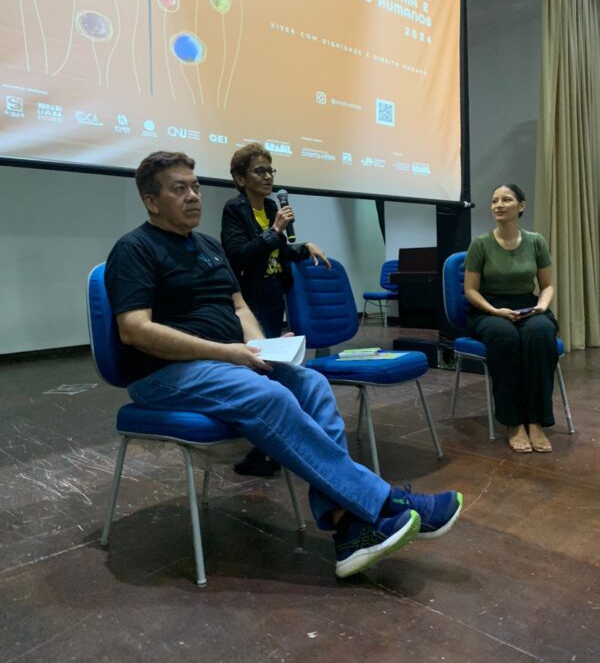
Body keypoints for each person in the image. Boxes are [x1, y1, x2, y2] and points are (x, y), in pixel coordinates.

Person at [105, 151, 462, 579]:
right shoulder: (134, 249)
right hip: (162, 375)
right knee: (269, 395)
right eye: (179, 189)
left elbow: (239, 307)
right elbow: (135, 330)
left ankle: (347, 528)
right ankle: (384, 500)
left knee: (312, 384)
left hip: (224, 364)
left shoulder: (208, 247)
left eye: (195, 186)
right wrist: (226, 352)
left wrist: (261, 348)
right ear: (151, 201)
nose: (193, 196)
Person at [221, 142, 330, 476]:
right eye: (260, 171)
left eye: (270, 171)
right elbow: (239, 254)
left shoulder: (270, 206)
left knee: (273, 366)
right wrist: (276, 230)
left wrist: (303, 247)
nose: (268, 177)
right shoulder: (234, 209)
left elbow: (278, 251)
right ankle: (262, 447)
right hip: (249, 300)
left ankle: (269, 448)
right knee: (260, 369)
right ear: (241, 178)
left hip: (272, 295)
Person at [464, 184, 559, 454]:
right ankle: (513, 422)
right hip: (488, 309)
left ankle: (536, 421)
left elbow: (547, 285)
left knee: (540, 333)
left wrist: (541, 306)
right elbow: (470, 290)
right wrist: (495, 311)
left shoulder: (536, 241)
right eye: (495, 200)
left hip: (528, 305)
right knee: (505, 337)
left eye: (506, 200)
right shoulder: (480, 244)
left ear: (521, 206)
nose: (499, 205)